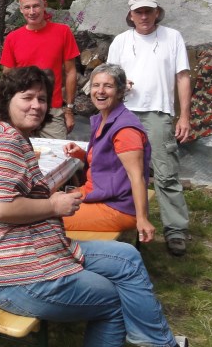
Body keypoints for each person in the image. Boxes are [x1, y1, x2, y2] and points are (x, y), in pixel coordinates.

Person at [0, 66, 212, 347]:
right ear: (7, 100)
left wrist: (50, 195)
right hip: (20, 276)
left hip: (43, 252)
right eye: (27, 98)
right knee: (113, 299)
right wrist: (53, 204)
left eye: (41, 98)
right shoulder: (6, 142)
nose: (36, 105)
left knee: (127, 257)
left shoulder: (13, 136)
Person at [107, 0, 193, 257]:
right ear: (130, 15)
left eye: (148, 11)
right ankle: (125, 224)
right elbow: (108, 79)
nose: (143, 16)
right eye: (138, 12)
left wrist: (184, 116)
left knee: (165, 173)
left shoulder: (172, 37)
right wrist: (121, 84)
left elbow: (182, 77)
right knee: (123, 173)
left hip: (158, 112)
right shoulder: (121, 41)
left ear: (157, 12)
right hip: (124, 113)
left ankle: (175, 230)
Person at [62, 63, 157, 241]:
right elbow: (110, 163)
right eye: (96, 85)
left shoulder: (125, 130)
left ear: (120, 92)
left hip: (116, 206)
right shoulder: (103, 118)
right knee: (44, 202)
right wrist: (82, 154)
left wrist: (142, 219)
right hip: (98, 193)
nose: (100, 91)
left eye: (108, 86)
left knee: (47, 217)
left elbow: (136, 176)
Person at [0, 0, 80, 139]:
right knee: (18, 151)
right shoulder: (13, 38)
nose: (32, 12)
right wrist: (6, 110)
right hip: (22, 109)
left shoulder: (63, 32)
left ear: (44, 6)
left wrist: (69, 110)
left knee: (58, 152)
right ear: (21, 9)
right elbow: (7, 77)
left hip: (52, 110)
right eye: (27, 7)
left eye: (36, 6)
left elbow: (71, 72)